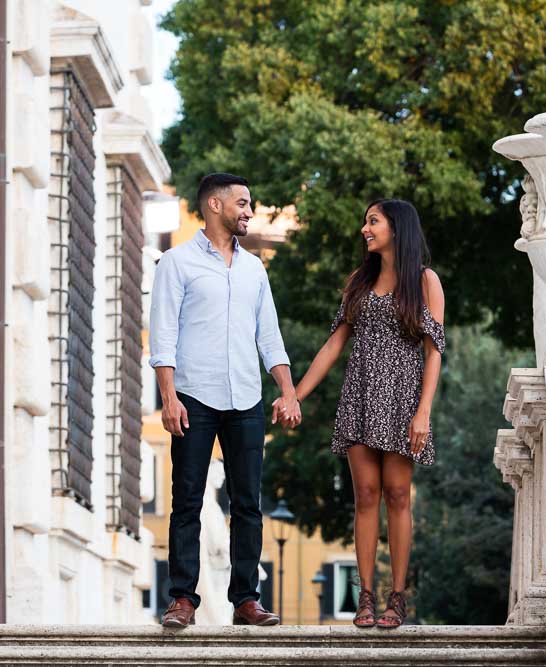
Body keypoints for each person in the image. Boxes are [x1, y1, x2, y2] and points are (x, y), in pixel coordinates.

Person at [149, 173, 301, 628]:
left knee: (248, 503)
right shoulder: (176, 263)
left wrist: (287, 391)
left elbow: (269, 337)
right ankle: (182, 600)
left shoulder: (255, 269)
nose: (248, 210)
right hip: (193, 396)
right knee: (187, 501)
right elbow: (163, 337)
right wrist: (169, 397)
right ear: (215, 206)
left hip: (246, 399)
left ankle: (246, 600)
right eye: (242, 202)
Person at [286, 199, 445, 629]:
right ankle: (366, 598)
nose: (364, 229)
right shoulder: (359, 281)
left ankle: (397, 597)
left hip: (403, 401)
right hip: (359, 398)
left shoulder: (425, 281)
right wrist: (295, 395)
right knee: (366, 496)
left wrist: (423, 412)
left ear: (397, 227)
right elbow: (334, 344)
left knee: (397, 493)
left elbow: (434, 354)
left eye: (372, 221)